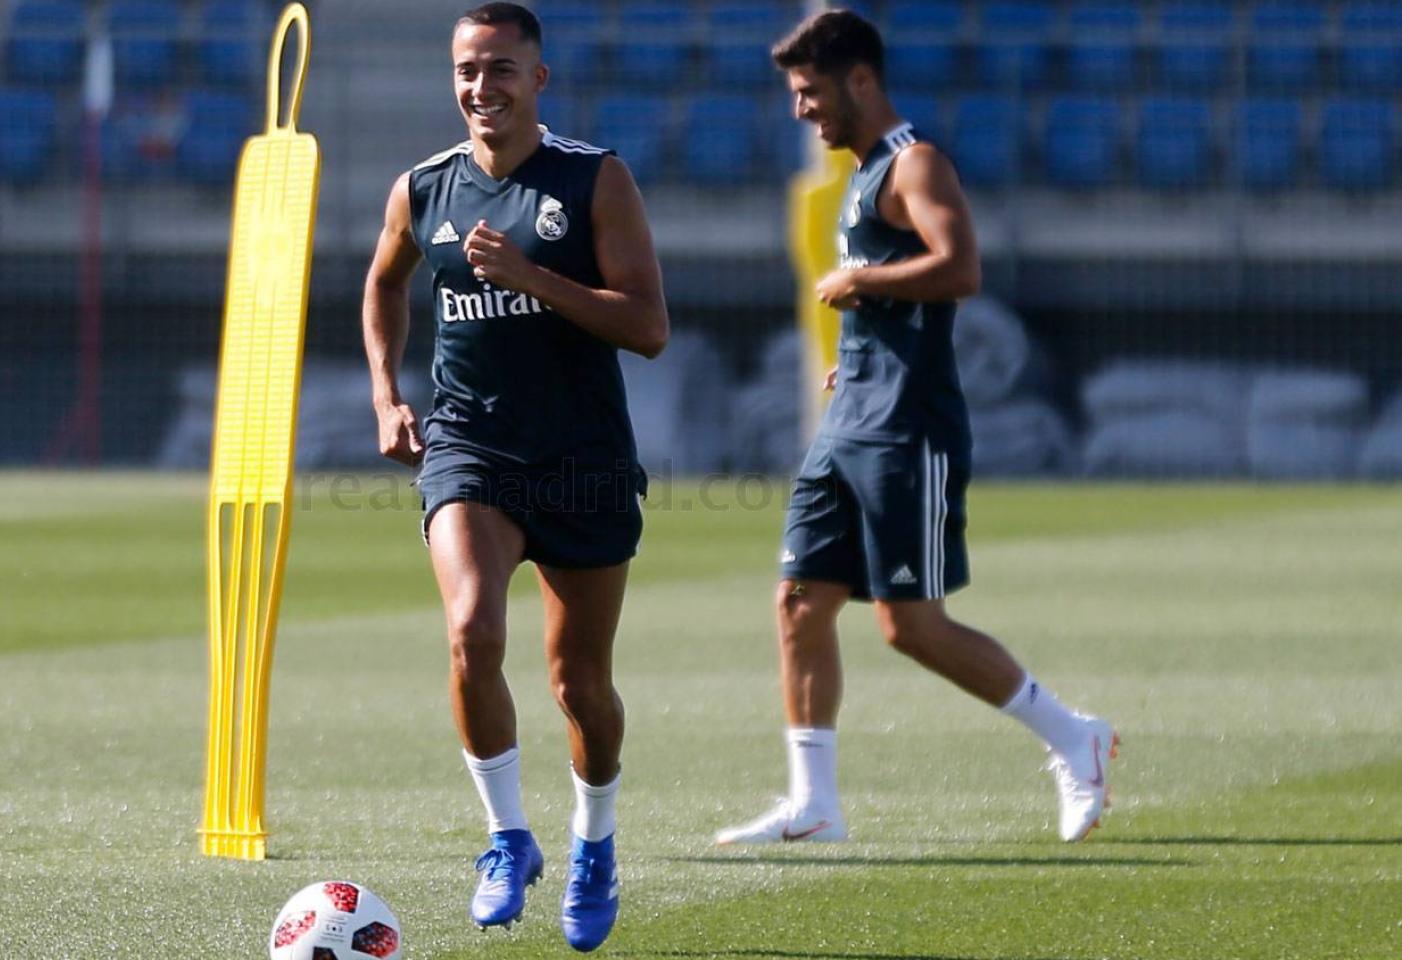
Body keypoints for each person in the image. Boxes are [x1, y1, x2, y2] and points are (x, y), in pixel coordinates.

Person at [717, 9, 1117, 848]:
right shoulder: (859, 175)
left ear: (861, 81)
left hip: (909, 427)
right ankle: (813, 803)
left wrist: (865, 285)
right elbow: (898, 296)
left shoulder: (915, 162)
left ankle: (1075, 736)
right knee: (799, 601)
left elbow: (960, 266)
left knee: (911, 625)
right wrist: (860, 346)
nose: (801, 110)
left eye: (811, 92)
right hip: (851, 415)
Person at [360, 3, 668, 950]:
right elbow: (383, 284)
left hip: (582, 462)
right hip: (471, 446)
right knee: (469, 630)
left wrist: (536, 279)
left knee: (581, 687)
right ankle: (506, 839)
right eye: (465, 70)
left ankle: (594, 846)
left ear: (539, 78)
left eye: (500, 69)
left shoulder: (593, 179)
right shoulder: (423, 187)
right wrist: (386, 395)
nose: (480, 87)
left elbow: (647, 327)